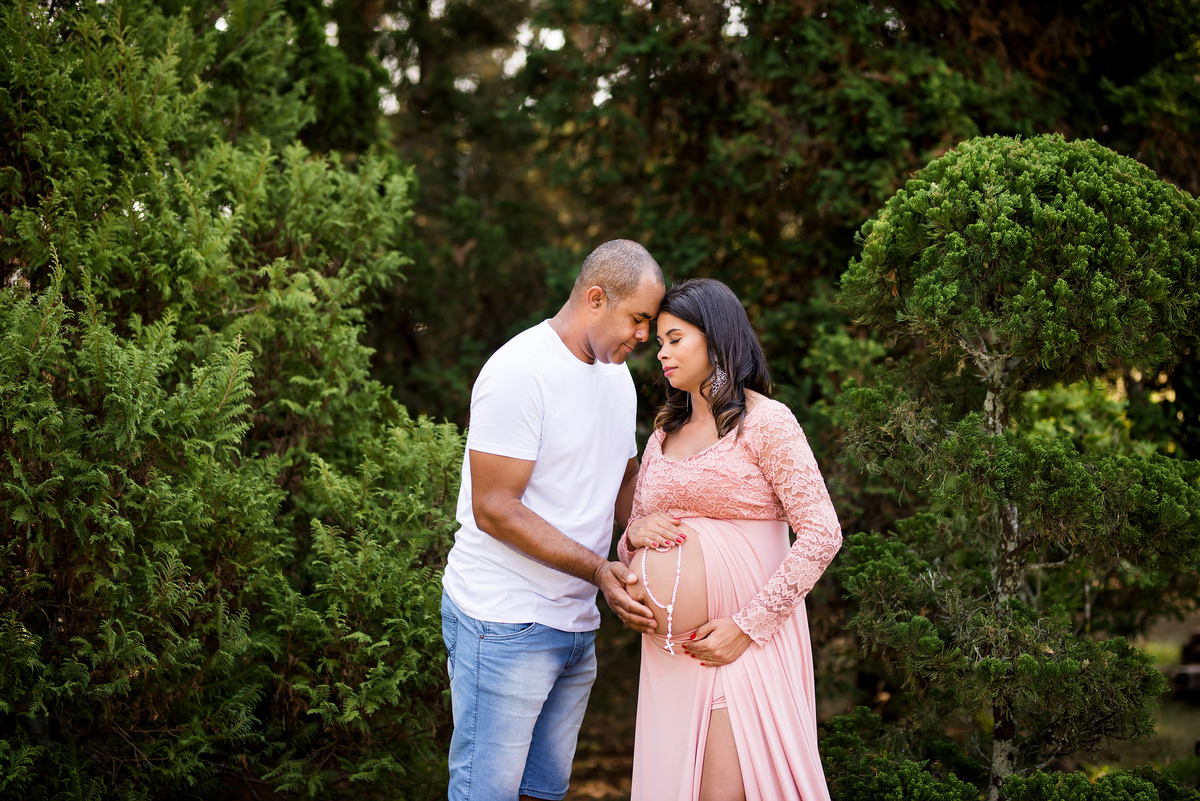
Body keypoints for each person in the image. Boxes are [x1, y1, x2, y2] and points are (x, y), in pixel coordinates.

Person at [440, 239, 666, 801]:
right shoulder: (520, 371)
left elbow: (625, 483)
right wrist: (598, 570)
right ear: (596, 297)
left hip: (575, 628)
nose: (645, 337)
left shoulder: (616, 377)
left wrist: (673, 529)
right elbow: (496, 508)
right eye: (638, 319)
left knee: (542, 793)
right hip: (503, 623)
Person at [617, 278, 843, 801]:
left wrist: (747, 626)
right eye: (659, 345)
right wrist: (634, 535)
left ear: (716, 338)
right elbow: (637, 548)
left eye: (675, 339)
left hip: (743, 647)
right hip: (673, 658)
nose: (663, 354)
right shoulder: (662, 434)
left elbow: (821, 533)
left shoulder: (767, 422)